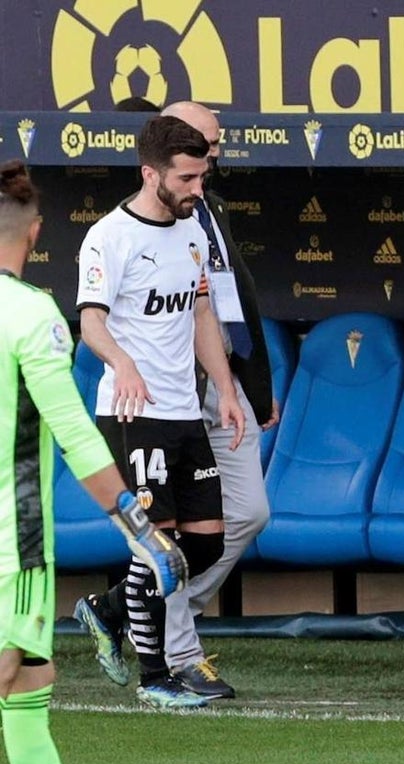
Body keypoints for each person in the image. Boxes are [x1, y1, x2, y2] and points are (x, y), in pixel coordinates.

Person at [0, 159, 187, 764]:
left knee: (27, 690)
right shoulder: (31, 315)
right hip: (10, 555)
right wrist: (140, 526)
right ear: (37, 232)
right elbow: (77, 434)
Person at [71, 115, 245, 710]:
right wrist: (120, 362)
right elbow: (91, 319)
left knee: (207, 545)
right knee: (157, 551)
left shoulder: (194, 232)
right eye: (189, 177)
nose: (200, 187)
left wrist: (223, 388)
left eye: (204, 175)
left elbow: (199, 313)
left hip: (183, 413)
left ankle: (107, 609)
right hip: (131, 413)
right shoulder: (109, 237)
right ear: (151, 174)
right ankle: (155, 679)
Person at [158, 100, 277, 700]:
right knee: (181, 524)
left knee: (250, 511)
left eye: (215, 147)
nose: (214, 157)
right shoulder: (141, 225)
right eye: (204, 147)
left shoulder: (211, 206)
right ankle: (179, 648)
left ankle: (147, 609)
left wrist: (255, 387)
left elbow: (234, 299)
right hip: (172, 392)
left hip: (223, 384)